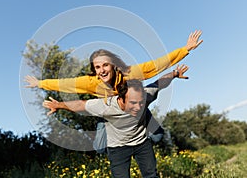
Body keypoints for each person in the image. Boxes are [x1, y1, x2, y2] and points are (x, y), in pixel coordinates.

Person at [42, 65, 189, 178]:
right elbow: (81, 105)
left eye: (140, 103)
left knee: (151, 174)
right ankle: (103, 126)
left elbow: (160, 83)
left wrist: (175, 74)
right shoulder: (106, 105)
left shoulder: (146, 96)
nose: (137, 107)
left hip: (141, 143)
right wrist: (58, 105)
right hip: (118, 147)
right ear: (121, 100)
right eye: (132, 103)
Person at [24, 30, 202, 98]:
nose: (102, 70)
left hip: (131, 105)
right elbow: (63, 84)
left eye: (105, 66)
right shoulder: (89, 82)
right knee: (102, 139)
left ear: (113, 65)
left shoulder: (129, 73)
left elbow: (156, 65)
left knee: (154, 132)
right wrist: (39, 83)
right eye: (97, 67)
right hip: (111, 110)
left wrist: (185, 49)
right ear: (94, 70)